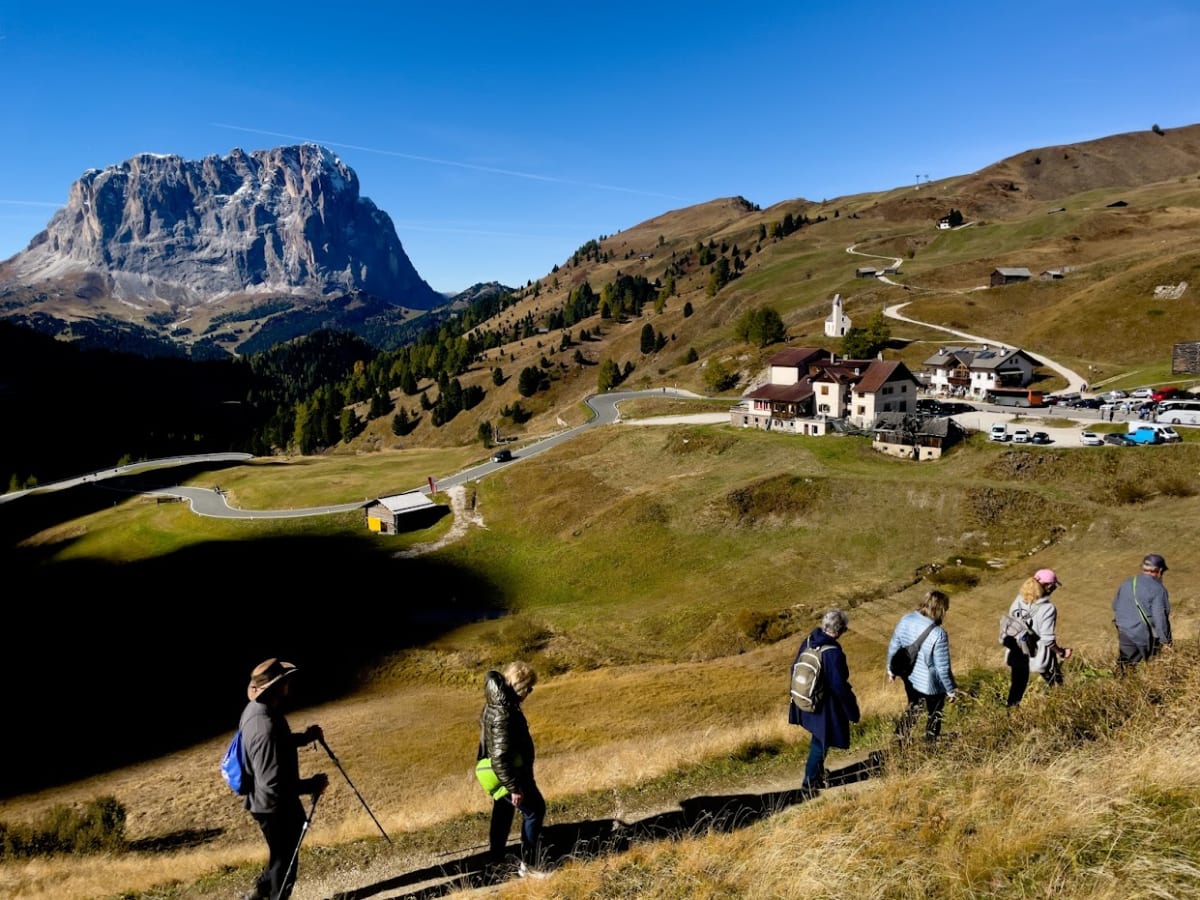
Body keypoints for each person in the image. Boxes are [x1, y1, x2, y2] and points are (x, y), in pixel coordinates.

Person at [238, 658, 328, 900]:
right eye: (285, 681)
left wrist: (305, 738)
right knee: (285, 862)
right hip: (274, 806)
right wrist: (312, 785)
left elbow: (279, 744)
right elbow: (273, 783)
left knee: (280, 855)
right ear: (277, 687)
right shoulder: (265, 724)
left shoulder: (258, 712)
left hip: (265, 801)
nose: (289, 683)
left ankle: (258, 895)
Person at [479, 661, 548, 878]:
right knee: (535, 810)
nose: (530, 691)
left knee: (503, 811)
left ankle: (496, 860)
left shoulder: (496, 702)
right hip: (510, 773)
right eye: (529, 687)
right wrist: (514, 787)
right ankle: (530, 866)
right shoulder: (504, 712)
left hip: (497, 771)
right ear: (520, 687)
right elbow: (500, 755)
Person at [788, 609, 860, 794]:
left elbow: (794, 668)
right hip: (823, 706)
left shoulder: (810, 640)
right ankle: (809, 783)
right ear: (840, 630)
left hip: (805, 700)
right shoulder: (833, 653)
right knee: (820, 743)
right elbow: (839, 686)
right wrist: (852, 711)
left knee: (819, 739)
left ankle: (818, 774)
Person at [887, 589, 958, 741]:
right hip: (930, 683)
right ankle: (931, 743)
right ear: (941, 609)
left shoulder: (906, 619)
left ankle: (899, 740)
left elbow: (894, 644)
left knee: (914, 707)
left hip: (909, 675)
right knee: (935, 713)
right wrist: (950, 690)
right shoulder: (939, 633)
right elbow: (942, 668)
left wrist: (890, 669)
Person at [1004, 569, 1073, 707]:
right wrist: (1061, 652)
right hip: (1038, 654)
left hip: (1018, 652)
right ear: (1048, 586)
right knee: (1057, 687)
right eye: (1053, 586)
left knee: (1016, 690)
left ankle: (1009, 718)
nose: (1054, 589)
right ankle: (1062, 710)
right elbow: (1047, 640)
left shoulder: (1019, 599)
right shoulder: (1048, 608)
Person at [1112, 553, 1173, 670]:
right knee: (1153, 666)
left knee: (1125, 666)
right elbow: (1160, 619)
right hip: (1144, 635)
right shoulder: (1158, 589)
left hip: (1124, 631)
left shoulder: (1128, 582)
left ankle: (1116, 685)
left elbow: (1115, 606)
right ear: (1159, 570)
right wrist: (1166, 642)